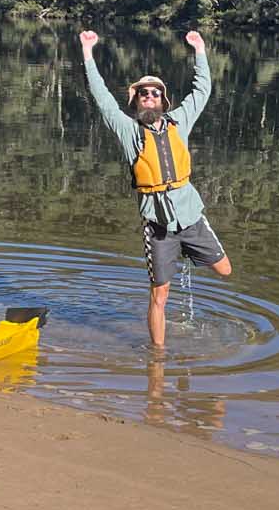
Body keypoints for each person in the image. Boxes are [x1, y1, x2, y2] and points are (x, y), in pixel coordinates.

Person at [79, 29, 234, 348]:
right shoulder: (129, 132)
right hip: (159, 229)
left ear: (164, 101)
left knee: (225, 270)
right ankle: (158, 357)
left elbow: (202, 90)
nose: (148, 97)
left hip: (191, 219)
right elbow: (102, 98)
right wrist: (88, 53)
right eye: (143, 94)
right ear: (136, 101)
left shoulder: (181, 121)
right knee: (160, 296)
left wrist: (201, 52)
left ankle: (188, 251)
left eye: (154, 93)